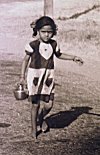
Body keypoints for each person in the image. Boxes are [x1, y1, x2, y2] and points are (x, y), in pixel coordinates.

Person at [20, 16, 83, 141]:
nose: (47, 35)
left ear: (53, 32)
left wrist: (73, 57)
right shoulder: (33, 45)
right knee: (35, 105)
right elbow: (25, 60)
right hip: (35, 78)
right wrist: (22, 77)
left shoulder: (54, 44)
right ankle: (34, 130)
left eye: (49, 32)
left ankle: (40, 119)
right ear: (38, 31)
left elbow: (59, 55)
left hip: (48, 78)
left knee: (49, 104)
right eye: (43, 32)